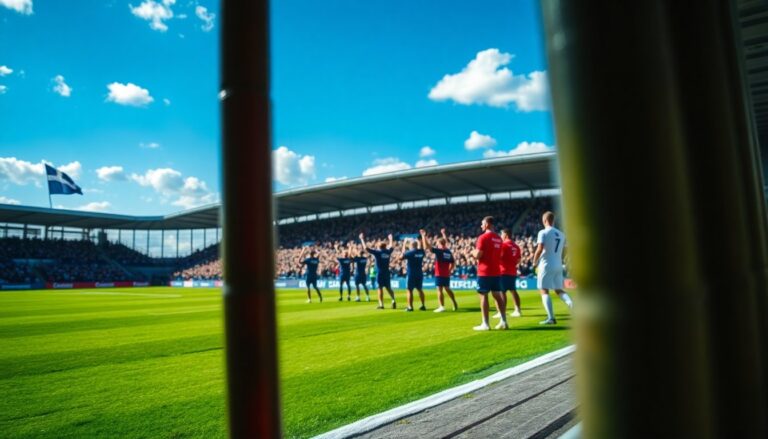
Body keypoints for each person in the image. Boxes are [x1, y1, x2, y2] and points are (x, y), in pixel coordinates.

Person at [532, 211, 573, 324]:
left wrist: (534, 262)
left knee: (543, 289)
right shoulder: (561, 234)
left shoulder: (543, 232)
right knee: (558, 289)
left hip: (546, 264)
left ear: (544, 220)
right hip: (558, 264)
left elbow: (540, 248)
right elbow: (564, 250)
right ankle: (572, 305)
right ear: (553, 220)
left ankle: (551, 318)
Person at [472, 216, 507, 330]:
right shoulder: (499, 238)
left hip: (484, 272)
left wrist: (472, 252)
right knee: (497, 296)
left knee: (483, 296)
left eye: (482, 223)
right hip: (496, 271)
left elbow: (478, 255)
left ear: (487, 224)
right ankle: (504, 321)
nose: (481, 226)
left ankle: (485, 324)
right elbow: (500, 255)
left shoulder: (482, 237)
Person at [420, 228, 458, 312]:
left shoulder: (439, 251)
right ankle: (454, 302)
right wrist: (449, 270)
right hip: (446, 274)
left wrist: (423, 236)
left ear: (440, 244)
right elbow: (453, 262)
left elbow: (427, 246)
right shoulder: (448, 252)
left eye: (437, 243)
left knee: (439, 289)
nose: (436, 245)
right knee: (447, 288)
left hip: (439, 273)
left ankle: (441, 306)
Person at [360, 232, 397, 309]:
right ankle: (393, 300)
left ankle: (381, 304)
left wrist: (362, 239)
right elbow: (391, 247)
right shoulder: (387, 252)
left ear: (379, 247)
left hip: (380, 273)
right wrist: (391, 239)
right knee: (388, 288)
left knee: (380, 288)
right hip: (387, 272)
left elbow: (366, 249)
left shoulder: (378, 252)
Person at [497, 228, 522, 318]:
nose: (501, 236)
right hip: (512, 271)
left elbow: (498, 257)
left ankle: (502, 312)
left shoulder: (503, 245)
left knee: (501, 292)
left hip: (503, 271)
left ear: (506, 235)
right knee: (513, 290)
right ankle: (518, 310)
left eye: (501, 234)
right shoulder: (516, 246)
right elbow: (518, 260)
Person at [400, 238, 426, 312]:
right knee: (420, 289)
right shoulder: (421, 252)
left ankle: (410, 307)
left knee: (409, 290)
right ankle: (423, 305)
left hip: (411, 274)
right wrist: (418, 241)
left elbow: (400, 258)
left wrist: (404, 244)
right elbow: (422, 248)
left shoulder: (409, 253)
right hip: (419, 273)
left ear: (411, 246)